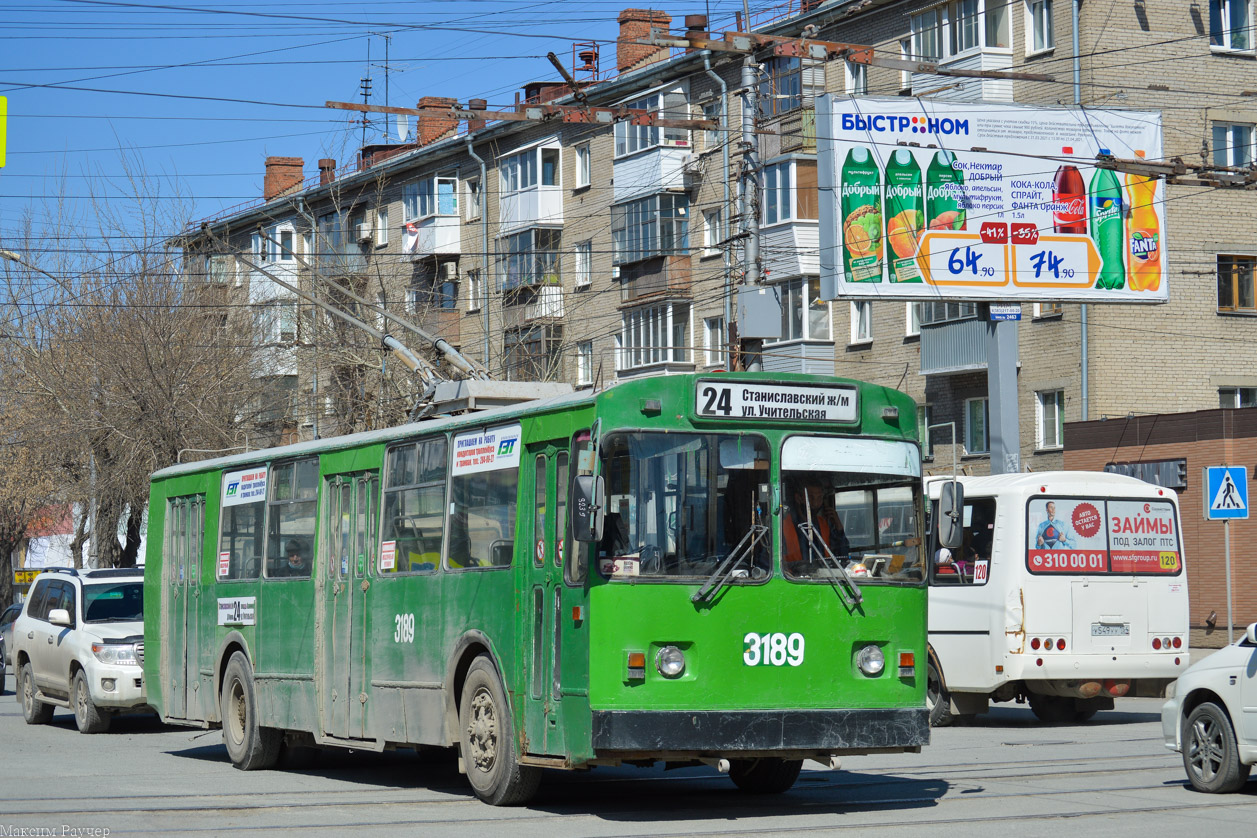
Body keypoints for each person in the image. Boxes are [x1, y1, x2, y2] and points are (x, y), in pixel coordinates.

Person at [782, 479, 849, 566]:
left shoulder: (824, 525)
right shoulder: (783, 526)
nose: (815, 503)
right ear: (798, 498)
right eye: (810, 498)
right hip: (793, 578)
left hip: (824, 576)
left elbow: (842, 555)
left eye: (819, 498)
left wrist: (839, 527)